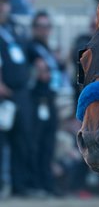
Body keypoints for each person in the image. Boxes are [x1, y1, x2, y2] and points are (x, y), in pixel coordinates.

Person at [0, 0, 36, 197]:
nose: (4, 7)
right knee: (3, 141)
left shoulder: (12, 29)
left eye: (5, 3)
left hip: (21, 92)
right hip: (5, 92)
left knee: (23, 139)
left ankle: (20, 184)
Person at [27, 11, 64, 196]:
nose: (44, 31)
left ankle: (47, 183)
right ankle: (34, 183)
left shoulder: (47, 49)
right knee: (36, 143)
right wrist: (37, 71)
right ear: (34, 29)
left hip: (50, 100)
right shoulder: (30, 47)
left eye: (47, 27)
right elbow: (28, 72)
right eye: (40, 27)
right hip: (36, 100)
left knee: (49, 145)